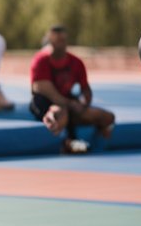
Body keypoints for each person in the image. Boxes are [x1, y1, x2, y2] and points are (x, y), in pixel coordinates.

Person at [29, 25, 115, 153]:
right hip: (44, 101)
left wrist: (85, 101)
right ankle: (67, 141)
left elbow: (85, 88)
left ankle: (76, 137)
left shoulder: (76, 62)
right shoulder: (41, 60)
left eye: (62, 40)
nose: (59, 44)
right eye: (55, 41)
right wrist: (71, 104)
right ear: (49, 41)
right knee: (59, 112)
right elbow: (45, 90)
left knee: (107, 117)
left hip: (67, 99)